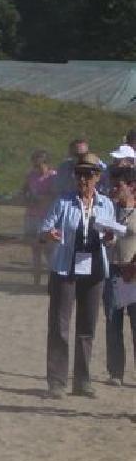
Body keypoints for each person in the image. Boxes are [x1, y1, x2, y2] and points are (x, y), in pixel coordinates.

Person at [41, 152, 116, 399]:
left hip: (94, 270)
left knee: (87, 326)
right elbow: (45, 227)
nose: (83, 179)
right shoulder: (63, 202)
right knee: (59, 325)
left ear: (97, 177)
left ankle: (82, 380)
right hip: (66, 268)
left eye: (88, 174)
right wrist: (49, 234)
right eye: (79, 174)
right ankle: (57, 381)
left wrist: (109, 238)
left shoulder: (106, 204)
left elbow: (112, 233)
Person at [103, 166, 136, 387]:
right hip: (113, 271)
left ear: (132, 186)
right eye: (112, 184)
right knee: (113, 322)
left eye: (118, 185)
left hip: (134, 272)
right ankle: (116, 371)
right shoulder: (109, 209)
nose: (114, 189)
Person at [21, 150, 58, 286]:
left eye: (39, 165)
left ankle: (53, 279)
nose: (37, 168)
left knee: (49, 250)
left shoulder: (53, 177)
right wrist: (27, 196)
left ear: (46, 164)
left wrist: (41, 198)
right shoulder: (31, 175)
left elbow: (54, 195)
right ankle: (36, 280)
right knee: (35, 249)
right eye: (35, 165)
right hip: (32, 215)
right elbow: (24, 189)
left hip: (46, 217)